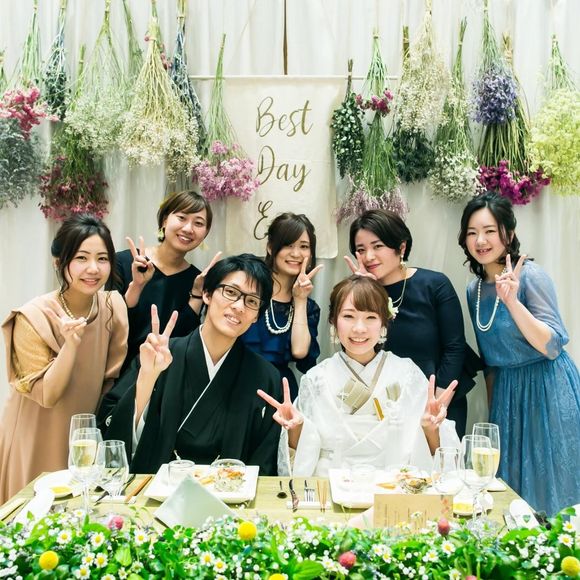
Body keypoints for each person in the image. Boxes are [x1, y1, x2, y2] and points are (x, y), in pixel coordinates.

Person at [98, 254, 282, 475]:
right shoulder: (160, 355)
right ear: (207, 294)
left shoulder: (265, 377)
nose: (239, 306)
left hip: (230, 492)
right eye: (231, 292)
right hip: (159, 487)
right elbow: (113, 434)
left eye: (252, 301)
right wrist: (148, 376)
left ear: (256, 316)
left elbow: (264, 460)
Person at [258, 276, 460, 476]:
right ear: (334, 321)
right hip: (331, 483)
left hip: (391, 483)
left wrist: (430, 429)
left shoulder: (408, 374)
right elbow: (302, 455)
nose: (359, 328)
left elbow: (434, 458)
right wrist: (296, 429)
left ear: (384, 323)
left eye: (371, 317)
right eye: (348, 316)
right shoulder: (316, 379)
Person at [458, 192, 580, 515]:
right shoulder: (474, 290)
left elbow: (552, 345)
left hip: (547, 387)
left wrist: (512, 302)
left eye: (489, 230)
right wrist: (494, 415)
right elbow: (489, 363)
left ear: (508, 234)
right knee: (511, 494)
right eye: (472, 232)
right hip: (508, 395)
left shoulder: (530, 276)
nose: (480, 240)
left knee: (555, 485)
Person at [0, 215, 128, 503]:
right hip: (35, 436)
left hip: (83, 442)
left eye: (102, 258)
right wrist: (70, 345)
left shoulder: (112, 306)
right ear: (59, 262)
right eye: (81, 258)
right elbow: (48, 395)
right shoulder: (32, 317)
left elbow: (109, 382)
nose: (93, 268)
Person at [346, 209, 480, 437]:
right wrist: (366, 293)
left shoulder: (435, 284)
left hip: (440, 402)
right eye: (361, 250)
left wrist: (435, 406)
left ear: (401, 247)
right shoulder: (357, 293)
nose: (368, 256)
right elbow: (356, 351)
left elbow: (454, 348)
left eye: (377, 246)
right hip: (386, 410)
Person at [115, 190, 221, 369]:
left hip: (165, 377)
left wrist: (197, 295)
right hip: (118, 372)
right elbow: (112, 326)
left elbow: (182, 341)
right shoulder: (125, 262)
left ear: (205, 233)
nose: (188, 228)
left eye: (198, 223)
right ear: (165, 220)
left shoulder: (198, 281)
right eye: (181, 218)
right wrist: (137, 286)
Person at [241, 213, 322, 400]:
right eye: (288, 245)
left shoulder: (308, 307)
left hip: (280, 391)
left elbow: (300, 352)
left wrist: (300, 300)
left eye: (304, 246)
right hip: (238, 383)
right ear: (270, 247)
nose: (296, 254)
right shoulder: (249, 290)